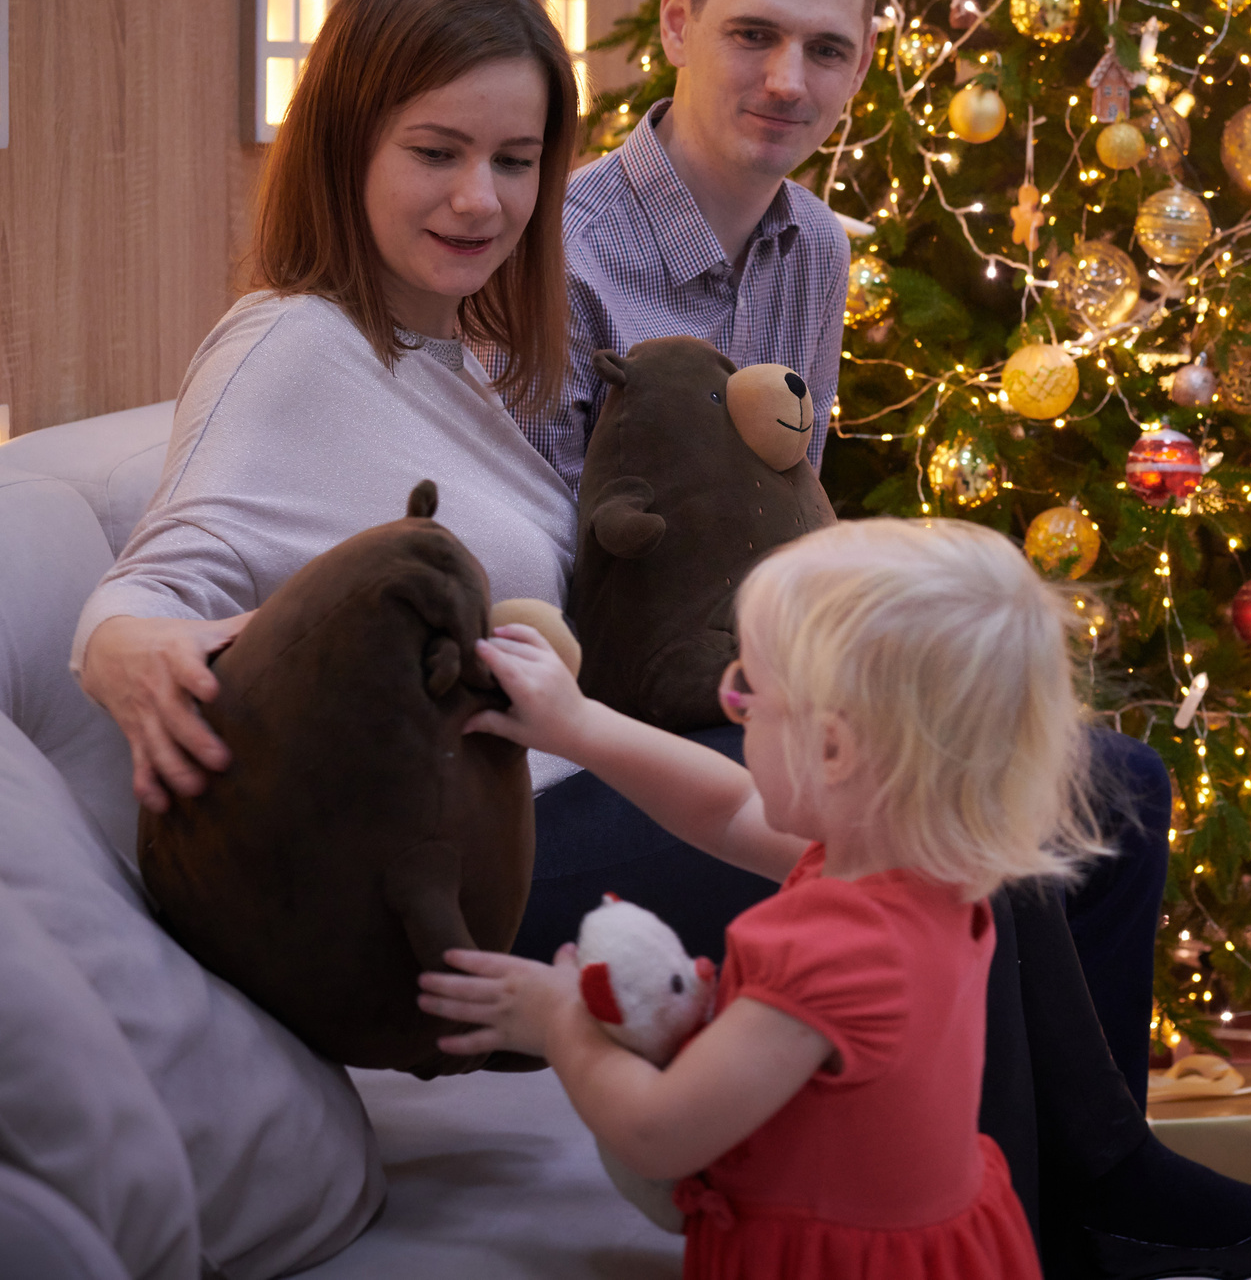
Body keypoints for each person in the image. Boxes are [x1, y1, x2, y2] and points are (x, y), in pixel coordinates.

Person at [513, 0, 1251, 1277]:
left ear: (869, 57)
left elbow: (790, 527)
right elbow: (554, 561)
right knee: (945, 822)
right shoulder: (559, 254)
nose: (787, 78)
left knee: (1112, 785)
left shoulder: (813, 246)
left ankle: (1061, 1190)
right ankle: (1081, 1189)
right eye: (754, 34)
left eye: (828, 48)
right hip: (596, 747)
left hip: (754, 687)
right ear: (678, 15)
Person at [422, 518, 1109, 1277]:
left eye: (748, 690)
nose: (735, 708)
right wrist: (577, 725)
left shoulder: (825, 948)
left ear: (833, 749)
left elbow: (658, 1133)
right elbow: (727, 808)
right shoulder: (927, 866)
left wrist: (559, 1020)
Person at [73, 0, 579, 800]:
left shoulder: (444, 357)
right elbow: (150, 586)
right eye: (436, 152)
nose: (481, 199)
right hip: (441, 860)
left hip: (536, 805)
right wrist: (120, 648)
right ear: (345, 148)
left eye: (514, 161)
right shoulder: (292, 344)